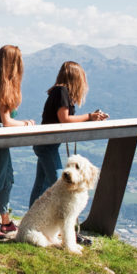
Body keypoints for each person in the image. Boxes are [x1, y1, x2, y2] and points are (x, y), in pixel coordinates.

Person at [30, 61, 108, 208]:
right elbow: (65, 119)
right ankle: (59, 221)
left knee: (41, 185)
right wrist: (89, 116)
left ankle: (31, 220)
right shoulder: (62, 92)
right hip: (47, 145)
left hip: (45, 143)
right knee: (61, 183)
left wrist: (91, 117)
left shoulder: (58, 91)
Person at [0, 45, 35, 239]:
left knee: (7, 179)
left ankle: (5, 220)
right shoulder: (4, 87)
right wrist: (26, 123)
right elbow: (7, 121)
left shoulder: (2, 85)